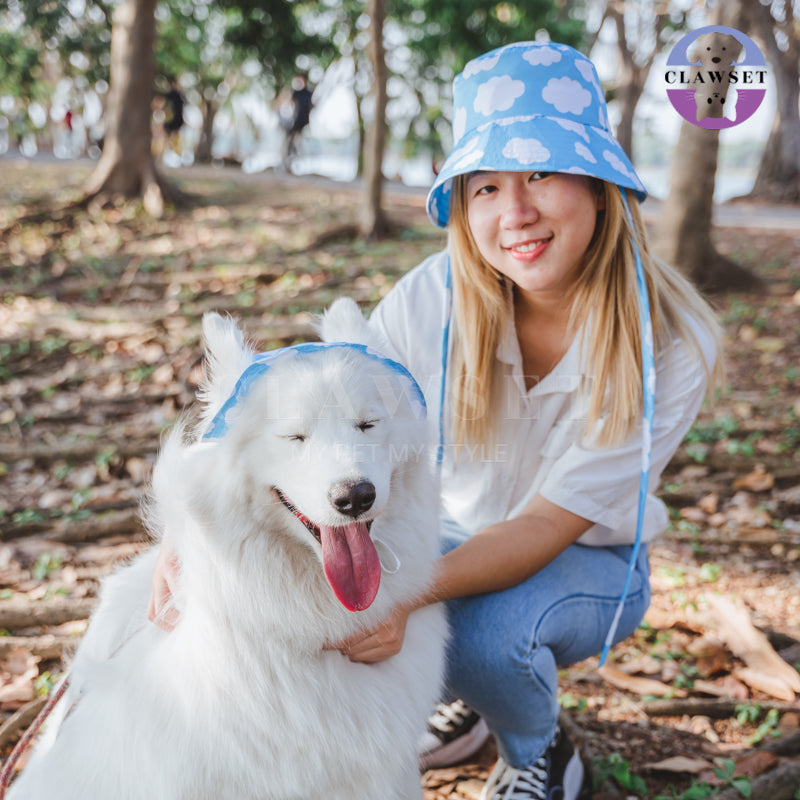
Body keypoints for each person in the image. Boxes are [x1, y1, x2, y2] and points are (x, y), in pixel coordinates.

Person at [149, 42, 722, 800]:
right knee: (327, 588)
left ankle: (539, 751)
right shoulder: (434, 297)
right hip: (452, 530)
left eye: (541, 173)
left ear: (599, 186)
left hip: (588, 558)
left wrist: (410, 595)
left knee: (480, 638)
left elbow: (545, 525)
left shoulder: (672, 341)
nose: (515, 211)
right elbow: (313, 403)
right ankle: (464, 706)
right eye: (486, 186)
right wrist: (188, 533)